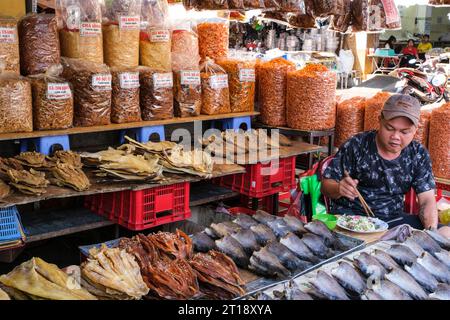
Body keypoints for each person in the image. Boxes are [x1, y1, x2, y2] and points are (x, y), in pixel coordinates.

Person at [321, 94, 446, 236]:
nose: (396, 137)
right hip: (353, 220)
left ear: (415, 129)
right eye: (390, 128)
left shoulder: (417, 154)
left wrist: (432, 233)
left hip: (393, 221)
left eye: (404, 132)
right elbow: (326, 186)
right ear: (380, 120)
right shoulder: (357, 145)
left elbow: (427, 200)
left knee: (445, 233)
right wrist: (339, 188)